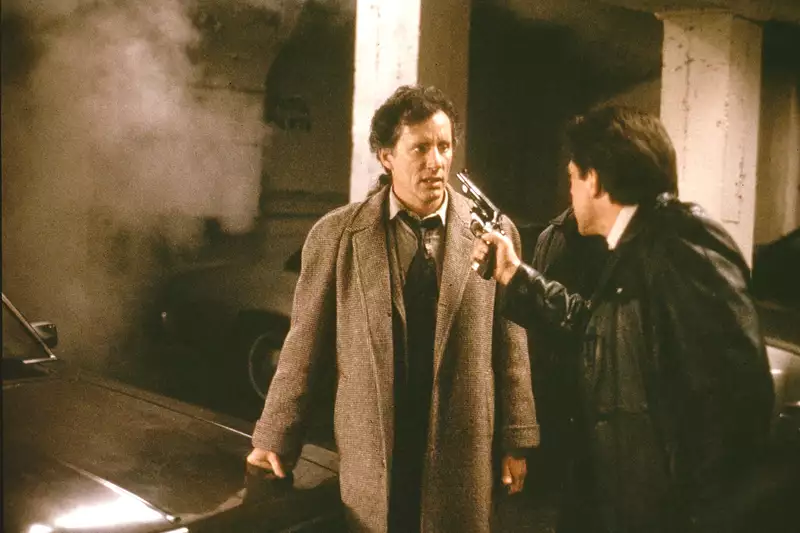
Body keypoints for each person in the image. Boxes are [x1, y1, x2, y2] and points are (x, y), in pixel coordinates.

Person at [247, 84, 540, 533]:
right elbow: (303, 348)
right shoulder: (336, 236)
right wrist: (275, 437)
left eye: (444, 146)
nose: (436, 162)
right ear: (386, 156)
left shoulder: (494, 233)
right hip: (376, 449)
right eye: (420, 148)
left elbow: (512, 347)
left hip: (461, 449)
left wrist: (516, 441)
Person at [472, 106, 775, 533]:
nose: (570, 191)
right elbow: (596, 330)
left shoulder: (680, 248)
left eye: (573, 177)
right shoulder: (641, 246)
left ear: (594, 180)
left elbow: (736, 410)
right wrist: (514, 274)